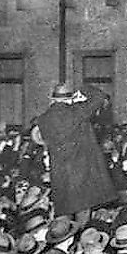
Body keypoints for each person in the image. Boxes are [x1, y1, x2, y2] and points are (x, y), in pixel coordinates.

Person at [33, 84, 117, 222]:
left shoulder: (43, 119)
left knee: (64, 215)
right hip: (81, 172)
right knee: (83, 213)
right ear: (70, 98)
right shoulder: (77, 111)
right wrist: (82, 88)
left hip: (60, 174)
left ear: (53, 98)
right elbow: (99, 96)